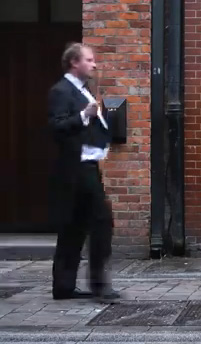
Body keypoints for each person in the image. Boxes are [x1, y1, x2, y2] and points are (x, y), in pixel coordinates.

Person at [48, 42, 120, 303]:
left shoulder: (82, 89)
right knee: (102, 222)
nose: (94, 64)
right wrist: (83, 116)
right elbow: (56, 127)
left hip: (86, 166)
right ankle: (100, 286)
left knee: (74, 226)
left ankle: (64, 287)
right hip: (76, 169)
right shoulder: (61, 91)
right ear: (73, 63)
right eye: (88, 60)